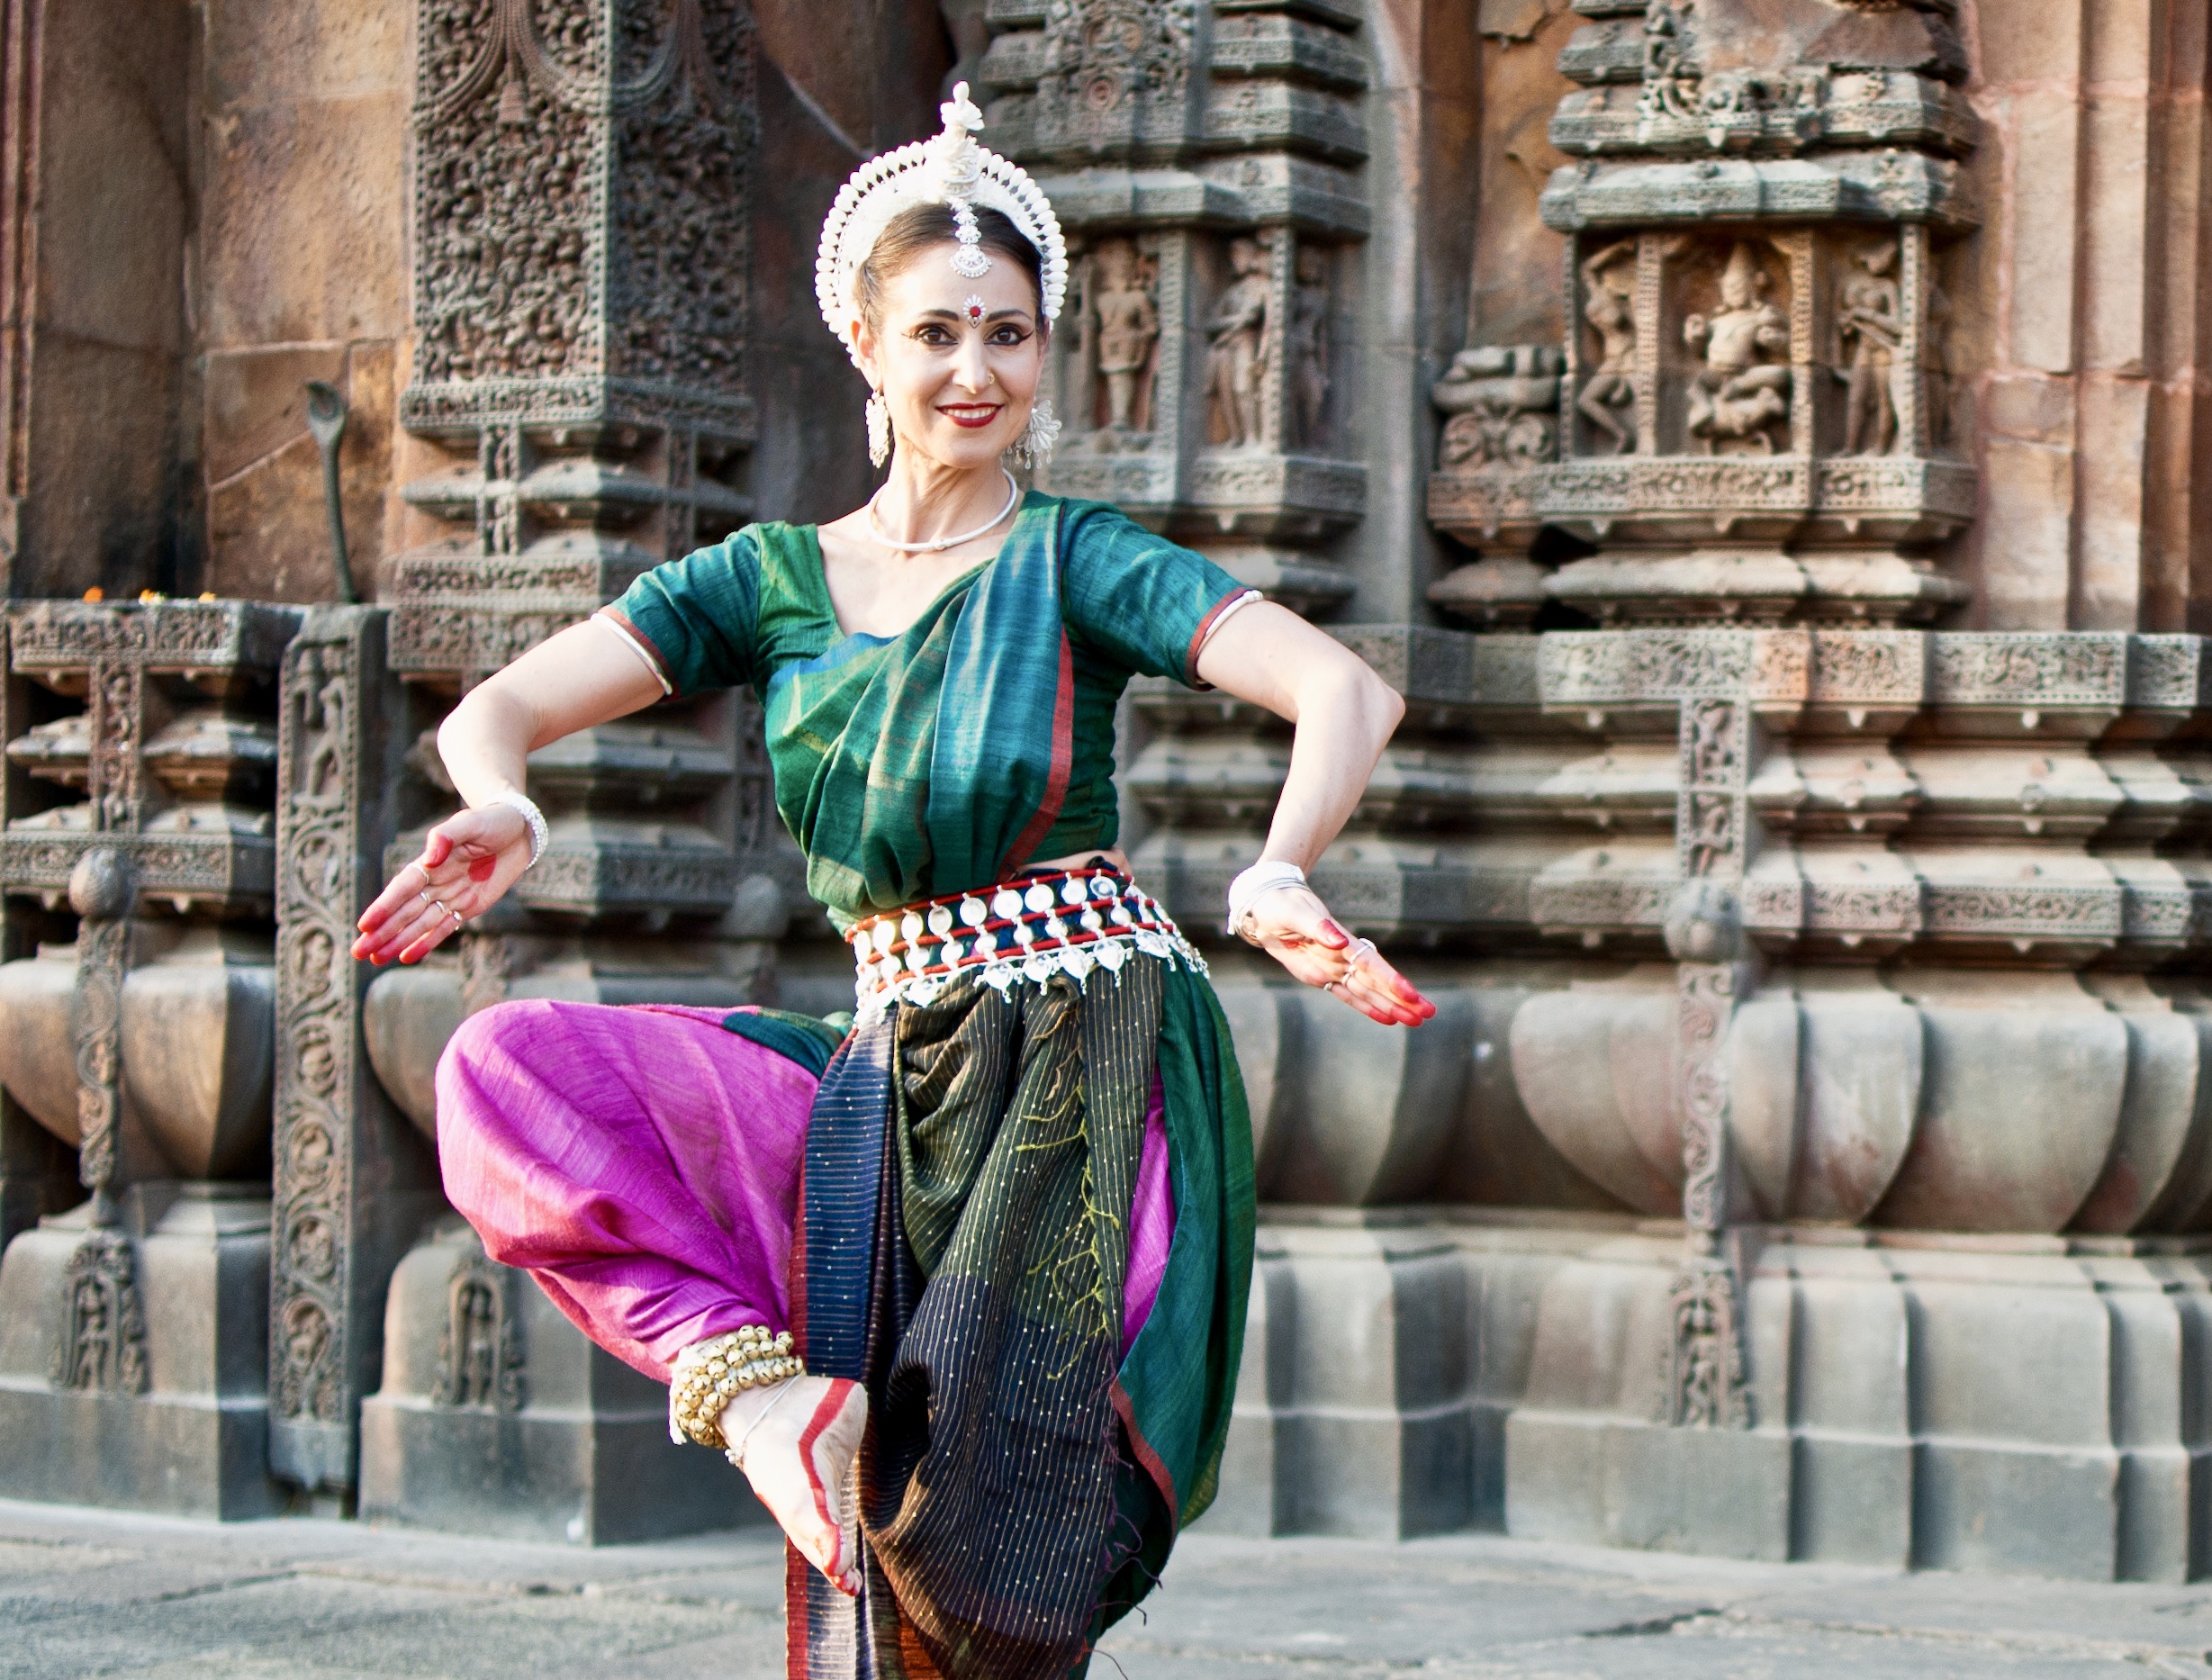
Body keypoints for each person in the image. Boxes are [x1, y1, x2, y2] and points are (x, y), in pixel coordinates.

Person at [353, 86, 1431, 1680]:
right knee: (504, 1075)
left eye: (1008, 335)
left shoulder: (1078, 558)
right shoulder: (771, 583)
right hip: (886, 1071)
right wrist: (500, 799)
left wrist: (1281, 867)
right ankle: (774, 1403)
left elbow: (1344, 688)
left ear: (1048, 349)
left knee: (990, 1557)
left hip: (1079, 1064)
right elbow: (493, 707)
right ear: (864, 342)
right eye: (936, 334)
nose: (974, 372)